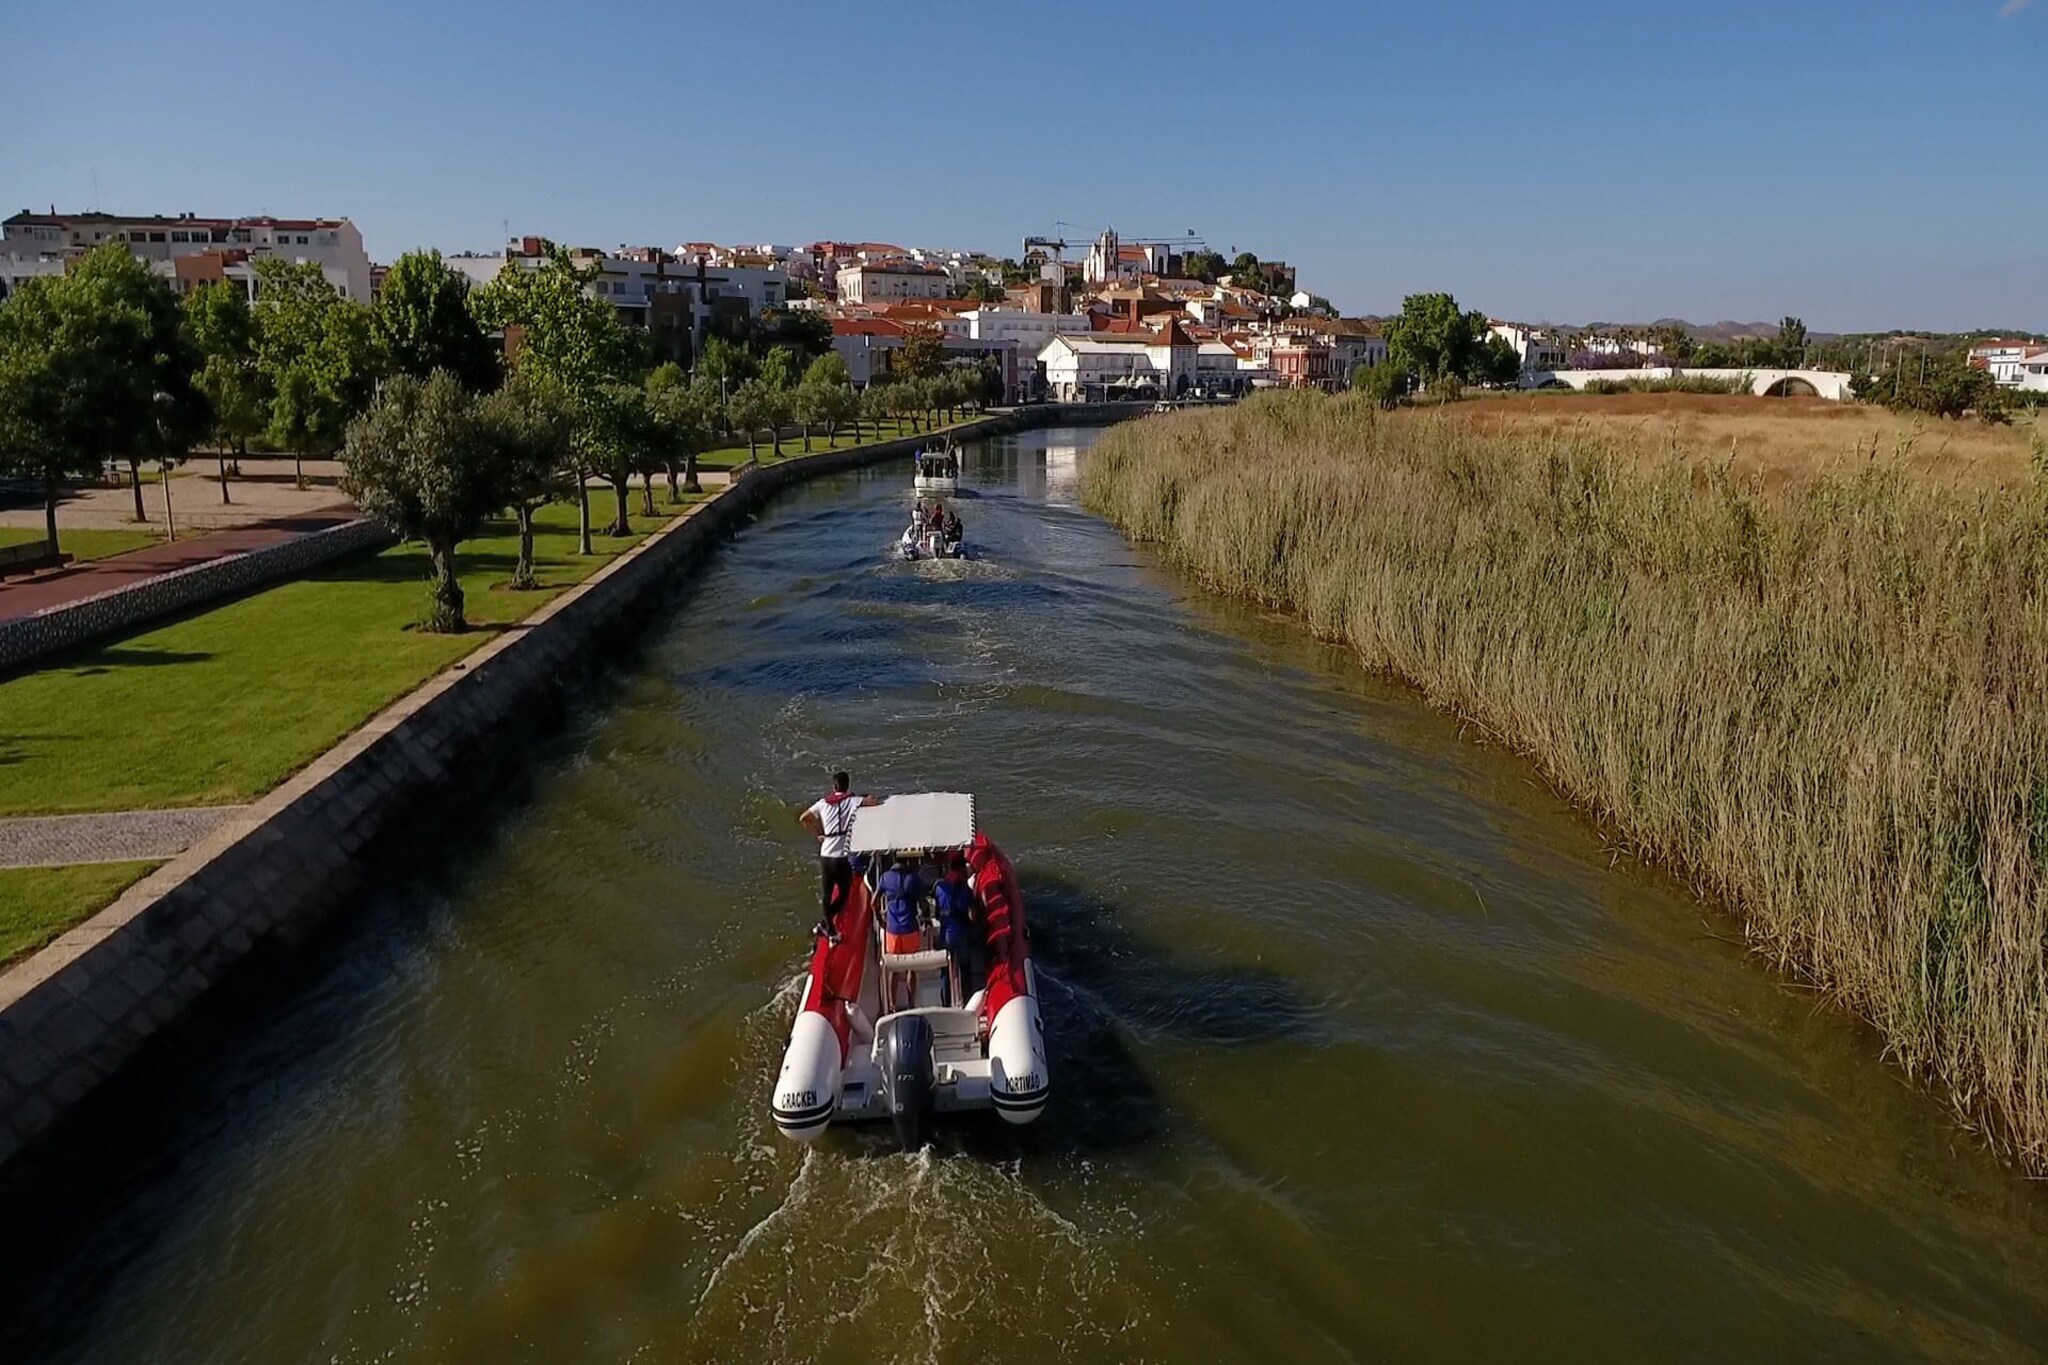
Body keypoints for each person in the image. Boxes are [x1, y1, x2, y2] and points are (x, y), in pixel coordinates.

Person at [800, 772, 878, 943]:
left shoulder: (822, 803)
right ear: (847, 786)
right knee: (844, 894)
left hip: (825, 854)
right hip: (841, 856)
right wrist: (867, 797)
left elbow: (804, 818)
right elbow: (873, 802)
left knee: (827, 894)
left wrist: (818, 834)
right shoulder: (852, 800)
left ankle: (828, 927)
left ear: (834, 787)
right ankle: (825, 925)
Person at [878, 855, 924, 1009]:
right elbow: (923, 904)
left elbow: (873, 902)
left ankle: (892, 1005)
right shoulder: (913, 878)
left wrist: (881, 921)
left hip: (892, 930)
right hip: (910, 928)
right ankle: (911, 1003)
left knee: (894, 969)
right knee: (911, 967)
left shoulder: (885, 878)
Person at [932, 854, 976, 1005]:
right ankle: (968, 1001)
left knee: (945, 972)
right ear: (962, 869)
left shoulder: (939, 887)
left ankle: (945, 1003)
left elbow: (937, 914)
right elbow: (972, 916)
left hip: (946, 935)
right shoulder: (965, 890)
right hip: (961, 934)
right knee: (965, 969)